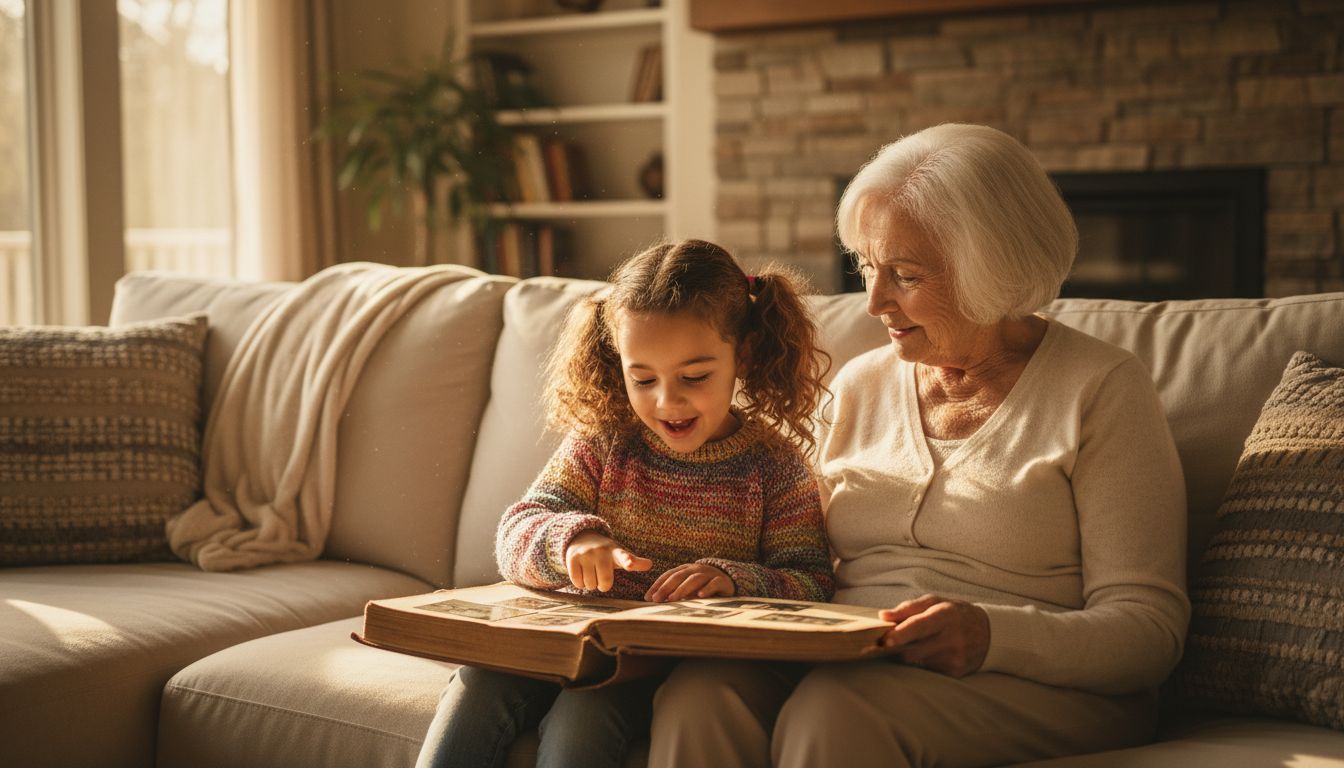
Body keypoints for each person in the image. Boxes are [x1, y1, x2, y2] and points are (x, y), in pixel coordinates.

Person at [649, 124, 1191, 767]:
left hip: (1039, 684)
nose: (874, 301)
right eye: (867, 268)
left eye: (904, 275)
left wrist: (991, 634)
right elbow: (791, 553)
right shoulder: (859, 385)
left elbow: (1148, 630)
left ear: (993, 269)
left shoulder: (1100, 388)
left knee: (838, 712)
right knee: (700, 694)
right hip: (851, 659)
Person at [413, 239, 836, 768]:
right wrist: (573, 541)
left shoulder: (774, 466)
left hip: (658, 667)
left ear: (744, 355)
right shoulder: (605, 442)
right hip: (568, 644)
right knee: (477, 682)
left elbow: (812, 583)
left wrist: (732, 579)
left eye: (695, 377)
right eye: (643, 379)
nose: (667, 401)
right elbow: (518, 527)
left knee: (583, 718)